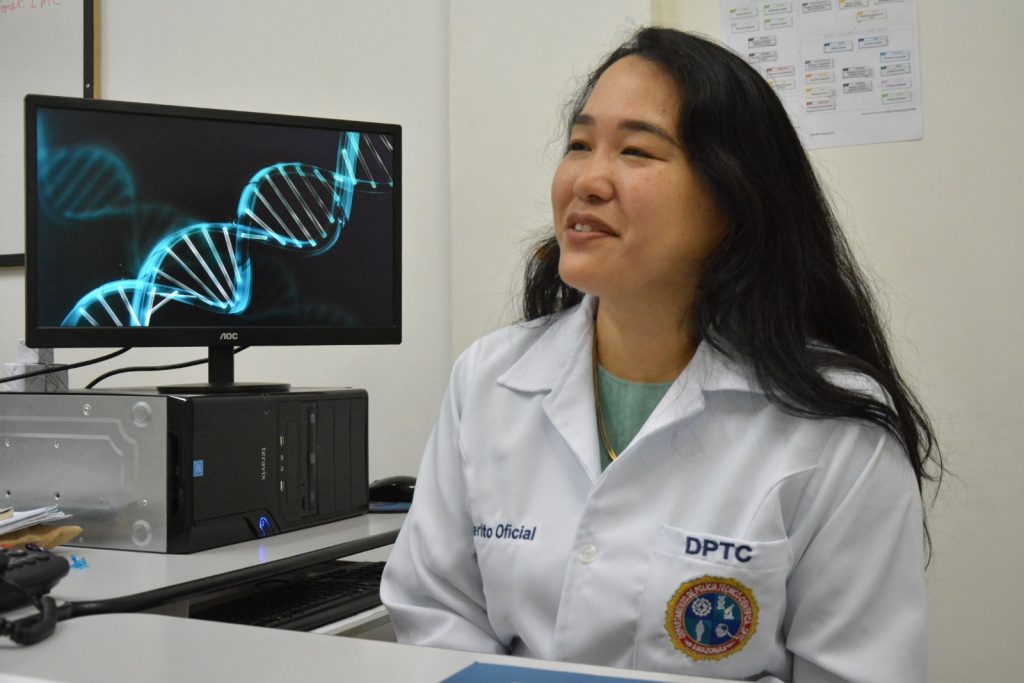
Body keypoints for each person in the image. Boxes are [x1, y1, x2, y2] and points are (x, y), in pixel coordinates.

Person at [380, 27, 941, 682]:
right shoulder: (489, 378)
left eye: (636, 151)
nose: (588, 180)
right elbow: (435, 608)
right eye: (579, 144)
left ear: (733, 199)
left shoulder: (837, 428)